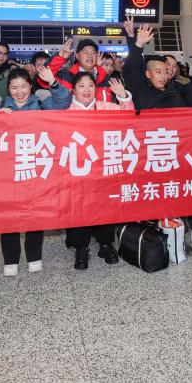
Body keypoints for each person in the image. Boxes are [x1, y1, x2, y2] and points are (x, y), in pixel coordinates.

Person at [0, 66, 70, 276]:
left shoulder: (42, 104)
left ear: (30, 86)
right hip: (8, 171)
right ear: (8, 88)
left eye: (23, 86)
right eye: (14, 87)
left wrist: (53, 82)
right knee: (9, 215)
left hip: (36, 169)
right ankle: (10, 260)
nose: (19, 91)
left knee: (35, 213)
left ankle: (34, 256)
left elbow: (64, 102)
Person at [64, 73, 134, 270]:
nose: (86, 90)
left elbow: (129, 118)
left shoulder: (106, 107)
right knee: (79, 210)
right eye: (81, 86)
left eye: (90, 85)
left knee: (106, 207)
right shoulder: (65, 113)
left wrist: (123, 97)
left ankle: (105, 244)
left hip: (105, 169)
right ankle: (81, 248)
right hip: (78, 171)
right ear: (73, 90)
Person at [122, 18, 185, 110]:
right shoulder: (139, 90)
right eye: (158, 72)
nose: (163, 76)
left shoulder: (174, 93)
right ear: (148, 73)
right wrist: (138, 43)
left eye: (166, 72)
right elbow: (133, 67)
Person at [49, 37, 115, 103]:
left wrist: (121, 96)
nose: (90, 56)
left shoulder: (109, 81)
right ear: (77, 56)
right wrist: (60, 58)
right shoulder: (66, 77)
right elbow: (45, 79)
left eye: (93, 53)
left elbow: (116, 104)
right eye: (86, 52)